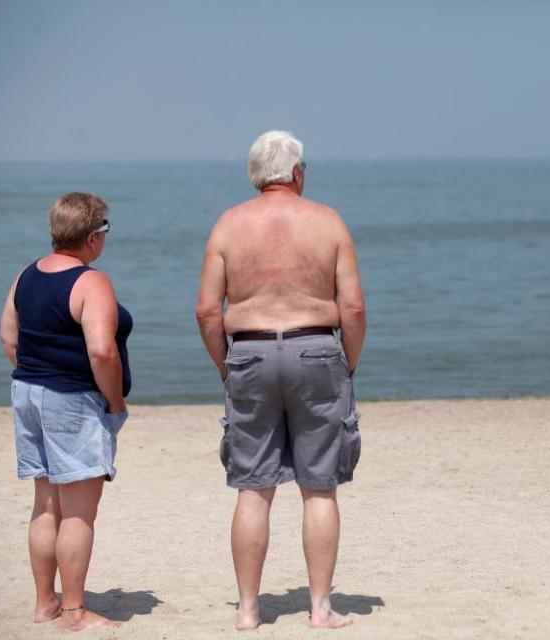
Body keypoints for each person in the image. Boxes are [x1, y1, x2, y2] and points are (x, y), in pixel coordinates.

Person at [196, 130, 366, 631]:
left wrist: (227, 366)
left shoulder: (228, 225)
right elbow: (353, 307)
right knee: (319, 487)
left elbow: (208, 309)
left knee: (254, 487)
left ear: (255, 175)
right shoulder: (328, 221)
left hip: (247, 351)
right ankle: (320, 608)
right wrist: (347, 364)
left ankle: (249, 611)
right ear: (297, 173)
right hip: (315, 348)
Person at [0, 192, 132, 631]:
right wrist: (114, 401)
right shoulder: (91, 281)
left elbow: (8, 338)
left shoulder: (26, 275)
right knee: (78, 511)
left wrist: (36, 375)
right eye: (105, 230)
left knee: (44, 505)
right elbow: (101, 351)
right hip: (71, 398)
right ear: (92, 237)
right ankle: (74, 611)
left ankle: (45, 603)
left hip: (27, 392)